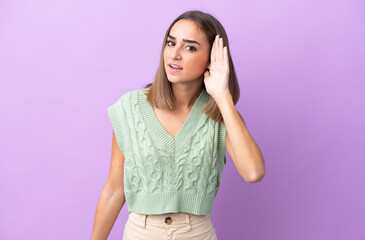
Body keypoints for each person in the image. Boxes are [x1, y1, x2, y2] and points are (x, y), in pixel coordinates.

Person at [90, 10, 265, 240]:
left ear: (211, 59)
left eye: (190, 47)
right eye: (171, 43)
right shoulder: (130, 108)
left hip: (198, 234)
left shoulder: (221, 114)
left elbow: (253, 172)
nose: (174, 54)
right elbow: (114, 189)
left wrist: (222, 97)